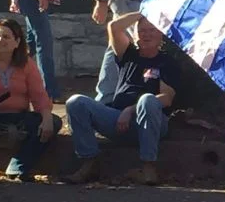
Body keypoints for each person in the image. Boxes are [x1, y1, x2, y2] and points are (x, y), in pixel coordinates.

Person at [65, 13, 178, 185]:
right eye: (142, 31)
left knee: (147, 99)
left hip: (150, 122)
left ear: (161, 33)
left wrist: (130, 109)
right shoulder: (128, 54)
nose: (146, 34)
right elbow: (114, 27)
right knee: (76, 102)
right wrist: (144, 12)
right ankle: (89, 162)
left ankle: (148, 166)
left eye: (152, 30)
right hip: (118, 121)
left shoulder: (167, 61)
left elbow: (166, 98)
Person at [0, 18, 62, 180]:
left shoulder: (26, 63)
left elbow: (39, 95)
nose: (0, 40)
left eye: (6, 37)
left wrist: (46, 118)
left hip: (19, 117)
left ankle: (18, 167)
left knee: (53, 122)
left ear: (17, 42)